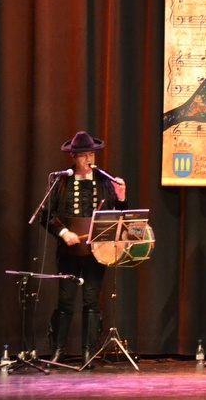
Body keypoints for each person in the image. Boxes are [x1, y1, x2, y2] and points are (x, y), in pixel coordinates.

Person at [41, 131, 127, 366]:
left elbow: (117, 215)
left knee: (91, 303)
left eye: (91, 154)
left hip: (96, 252)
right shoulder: (61, 182)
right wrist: (63, 232)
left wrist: (121, 197)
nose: (89, 158)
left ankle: (89, 352)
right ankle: (57, 351)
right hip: (69, 253)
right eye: (84, 155)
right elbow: (45, 215)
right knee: (65, 302)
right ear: (74, 157)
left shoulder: (103, 181)